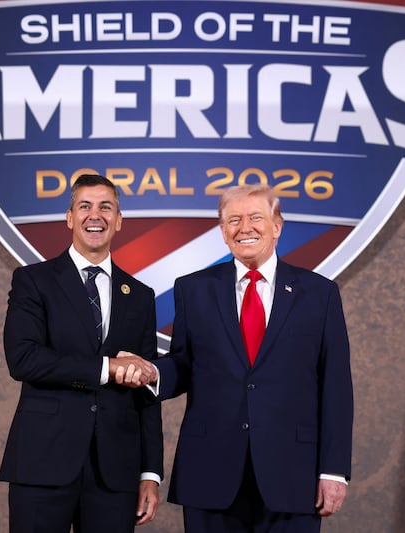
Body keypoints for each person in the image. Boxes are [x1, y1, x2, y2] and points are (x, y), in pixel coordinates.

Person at [121, 183, 353, 532]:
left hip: (293, 475)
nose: (245, 228)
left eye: (256, 217)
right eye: (233, 220)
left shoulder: (319, 294)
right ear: (223, 231)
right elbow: (185, 364)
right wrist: (152, 371)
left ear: (277, 226)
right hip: (210, 471)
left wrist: (333, 470)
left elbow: (336, 388)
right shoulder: (193, 289)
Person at [0, 174, 163, 533]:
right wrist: (107, 368)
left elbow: (147, 391)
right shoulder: (33, 281)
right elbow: (23, 358)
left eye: (106, 207)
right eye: (85, 206)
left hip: (115, 471)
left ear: (119, 220)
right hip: (42, 462)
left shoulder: (139, 295)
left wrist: (150, 473)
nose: (96, 215)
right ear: (70, 217)